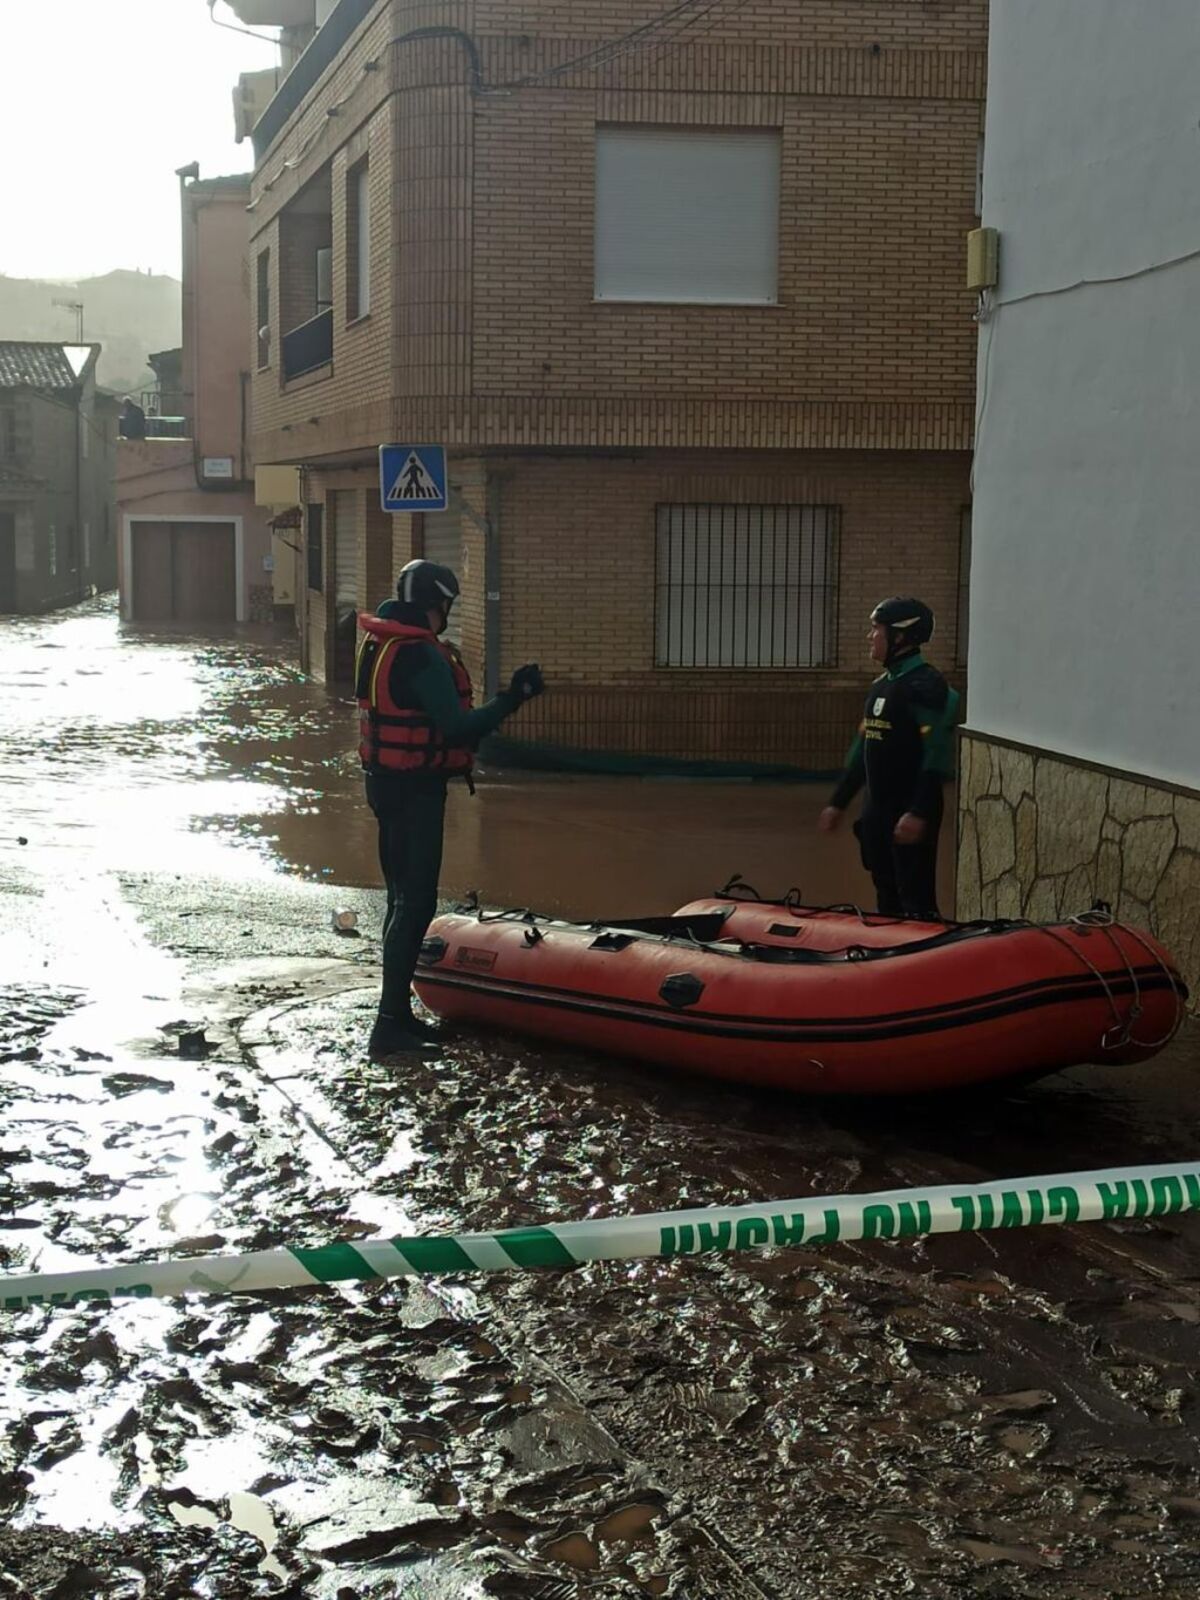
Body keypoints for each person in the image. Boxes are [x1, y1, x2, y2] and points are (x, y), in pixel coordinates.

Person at [356, 559, 544, 1058]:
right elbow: (458, 728)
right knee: (414, 902)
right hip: (415, 791)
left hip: (384, 784)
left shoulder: (382, 642)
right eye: (447, 606)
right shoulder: (420, 654)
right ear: (438, 604)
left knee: (400, 899)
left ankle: (396, 1017)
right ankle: (390, 1028)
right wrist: (514, 698)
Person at [818, 597, 959, 919]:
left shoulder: (928, 688)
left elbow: (936, 755)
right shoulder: (881, 687)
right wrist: (837, 803)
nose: (871, 636)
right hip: (877, 809)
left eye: (876, 629)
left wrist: (918, 812)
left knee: (915, 898)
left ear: (899, 636)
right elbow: (861, 752)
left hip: (909, 809)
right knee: (885, 892)